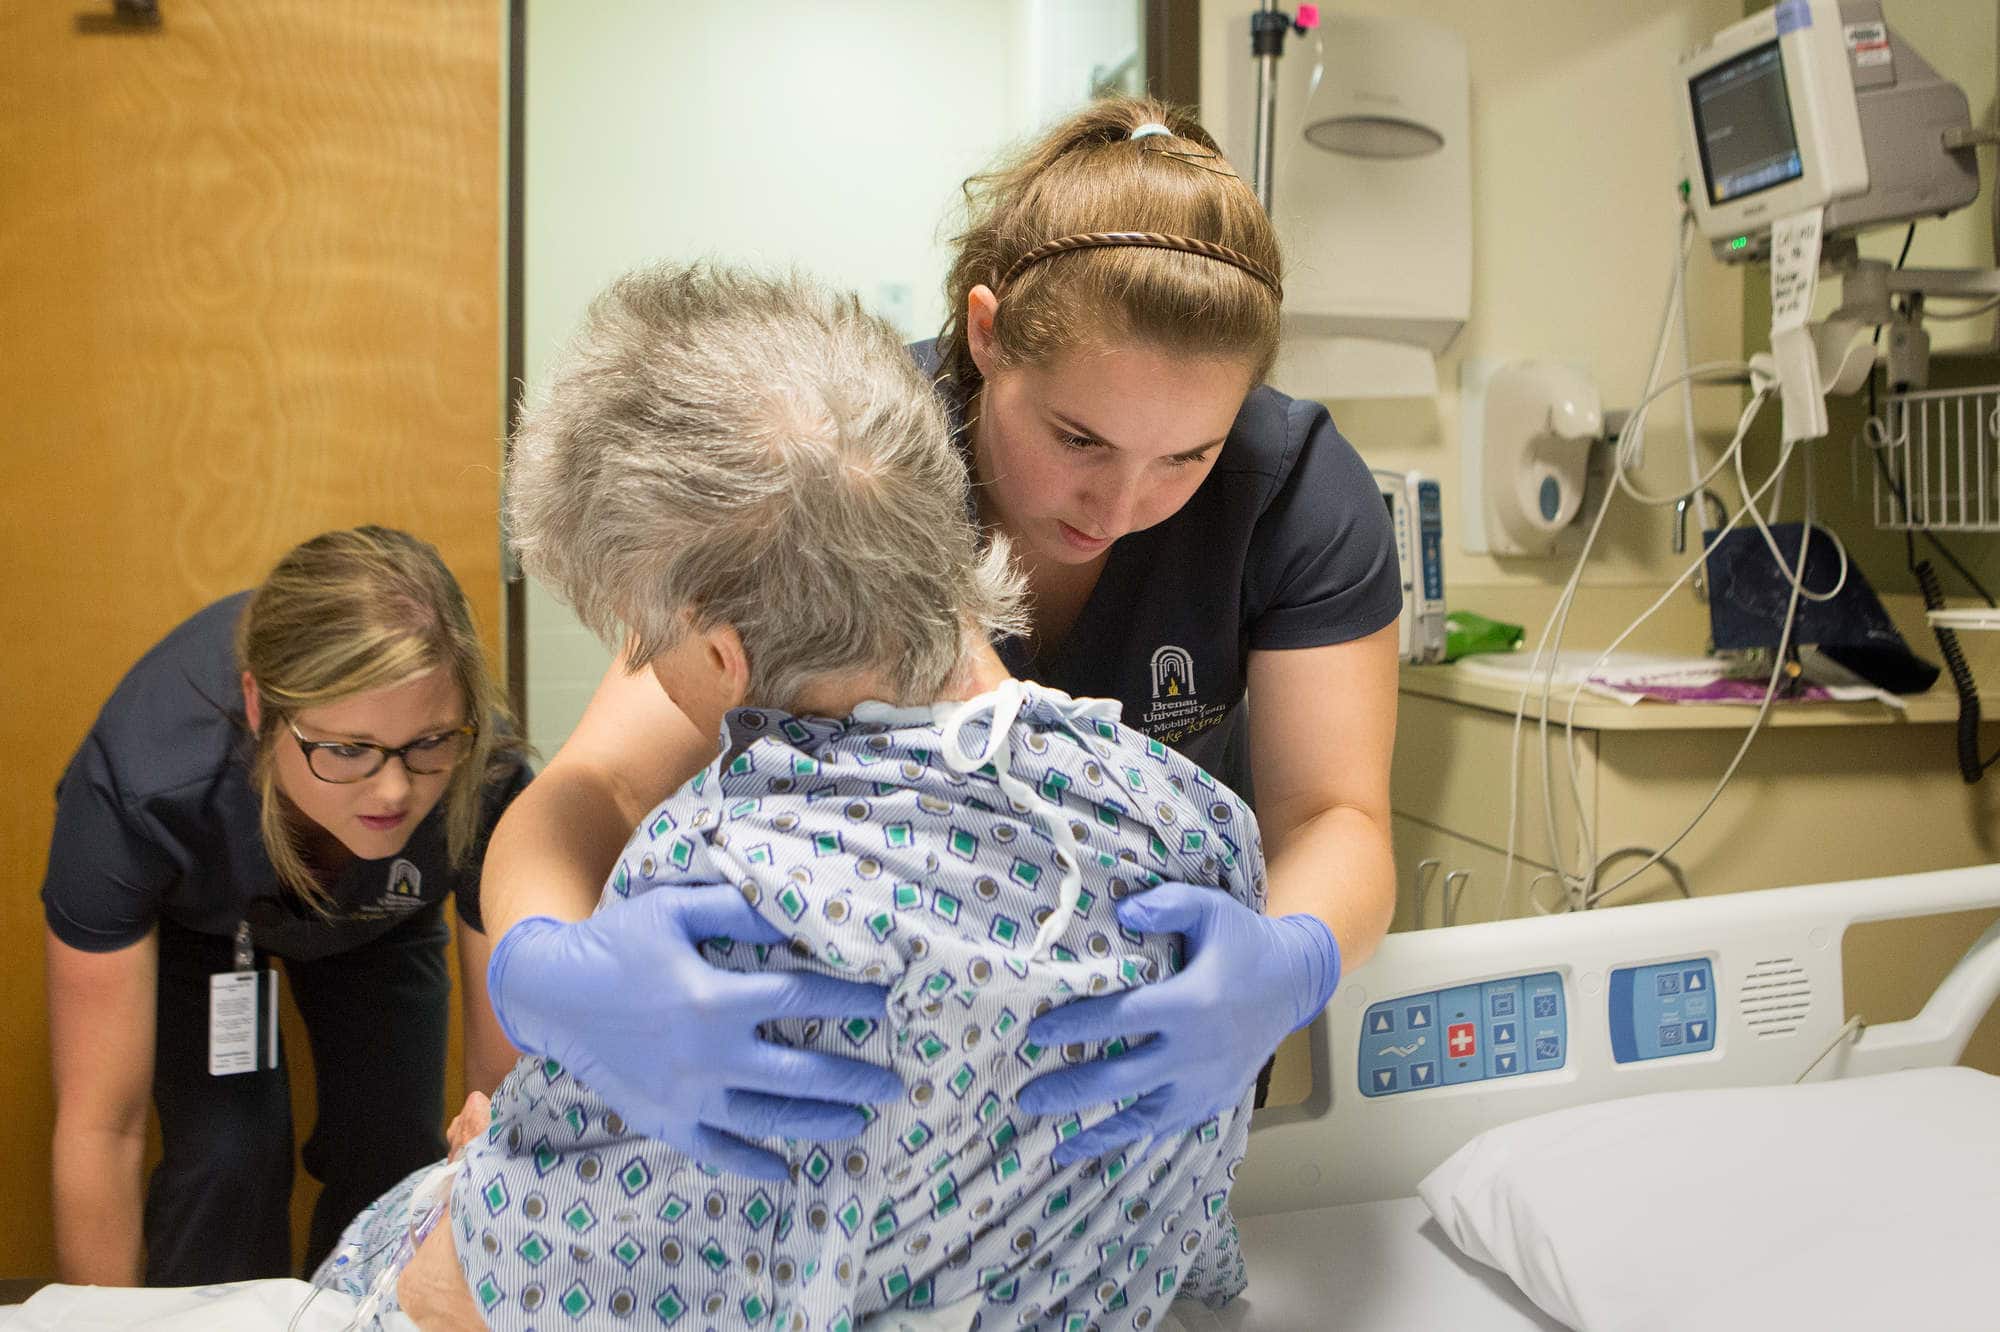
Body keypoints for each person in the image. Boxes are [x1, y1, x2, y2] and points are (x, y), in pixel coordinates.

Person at [316, 263, 1318, 1332]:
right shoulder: (1192, 822)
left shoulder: (727, 884)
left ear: (719, 653)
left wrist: (493, 1165)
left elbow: (481, 1296)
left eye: (645, 642)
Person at [478, 94, 1400, 1196]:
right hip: (851, 1100)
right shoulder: (856, 453)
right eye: (1076, 439)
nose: (1117, 503)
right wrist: (545, 969)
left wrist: (1280, 964)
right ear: (983, 332)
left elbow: (1333, 817)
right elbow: (597, 784)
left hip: (1126, 1091)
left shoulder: (1295, 491)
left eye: (1186, 459)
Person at [42, 526, 534, 1287]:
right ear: (257, 707)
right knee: (227, 1156)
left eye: (428, 742)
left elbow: (496, 1109)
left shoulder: (486, 775)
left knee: (395, 1149)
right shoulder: (144, 785)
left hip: (382, 921)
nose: (395, 791)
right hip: (205, 932)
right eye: (346, 750)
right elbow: (101, 1130)